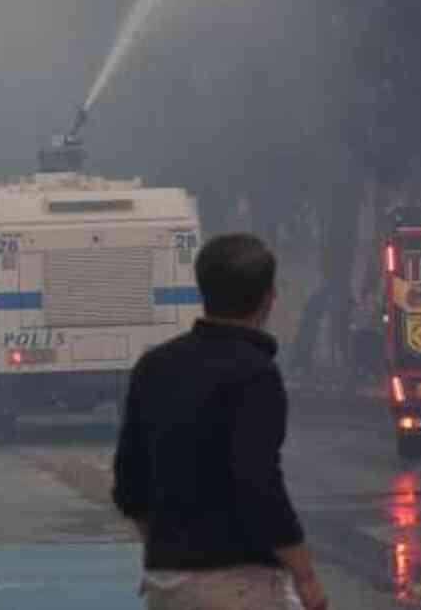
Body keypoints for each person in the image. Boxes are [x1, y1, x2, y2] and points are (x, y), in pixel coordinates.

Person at [113, 234, 329, 610]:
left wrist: (165, 550)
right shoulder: (254, 373)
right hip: (238, 585)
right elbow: (258, 483)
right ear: (268, 298)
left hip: (166, 583)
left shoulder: (154, 367)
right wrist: (306, 575)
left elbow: (130, 482)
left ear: (203, 289)